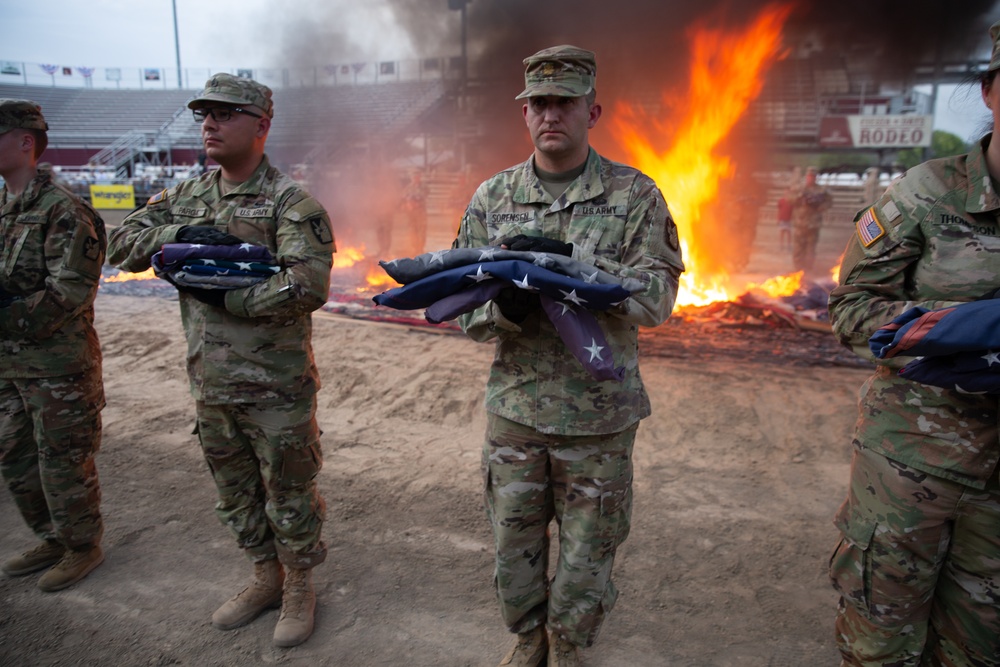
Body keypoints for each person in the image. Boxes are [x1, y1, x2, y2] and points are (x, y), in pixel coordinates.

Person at [452, 45, 684, 666]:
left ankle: (569, 645)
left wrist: (577, 275)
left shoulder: (636, 196)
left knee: (589, 554)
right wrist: (509, 306)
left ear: (593, 110)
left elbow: (658, 299)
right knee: (514, 547)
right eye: (540, 103)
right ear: (525, 112)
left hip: (599, 419)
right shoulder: (492, 198)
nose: (551, 113)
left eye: (565, 102)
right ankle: (529, 639)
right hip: (517, 412)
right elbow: (461, 307)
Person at [106, 74, 335, 648]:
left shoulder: (290, 202)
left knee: (289, 488)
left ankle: (299, 585)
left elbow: (309, 285)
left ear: (260, 125)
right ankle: (264, 574)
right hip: (210, 382)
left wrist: (229, 295)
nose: (209, 124)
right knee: (233, 490)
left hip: (276, 388)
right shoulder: (187, 195)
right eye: (204, 114)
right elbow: (121, 245)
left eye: (225, 113)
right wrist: (182, 233)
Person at [827, 20, 1000, 666]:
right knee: (880, 649)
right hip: (908, 473)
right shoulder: (927, 194)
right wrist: (955, 333)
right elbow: (850, 307)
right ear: (989, 91)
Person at [0, 99, 107, 592]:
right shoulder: (4, 209)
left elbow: (69, 292)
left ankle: (82, 545)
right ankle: (50, 537)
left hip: (58, 366)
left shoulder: (63, 210)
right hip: (10, 364)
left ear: (25, 143)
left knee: (62, 459)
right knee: (17, 456)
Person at [787, 165, 831, 272]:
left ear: (816, 177)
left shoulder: (821, 190)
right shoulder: (799, 189)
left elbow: (828, 202)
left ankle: (808, 269)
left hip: (813, 224)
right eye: (809, 176)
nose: (811, 178)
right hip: (800, 223)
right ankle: (798, 269)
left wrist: (820, 206)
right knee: (798, 248)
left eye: (813, 176)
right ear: (806, 176)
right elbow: (789, 199)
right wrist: (800, 198)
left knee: (810, 249)